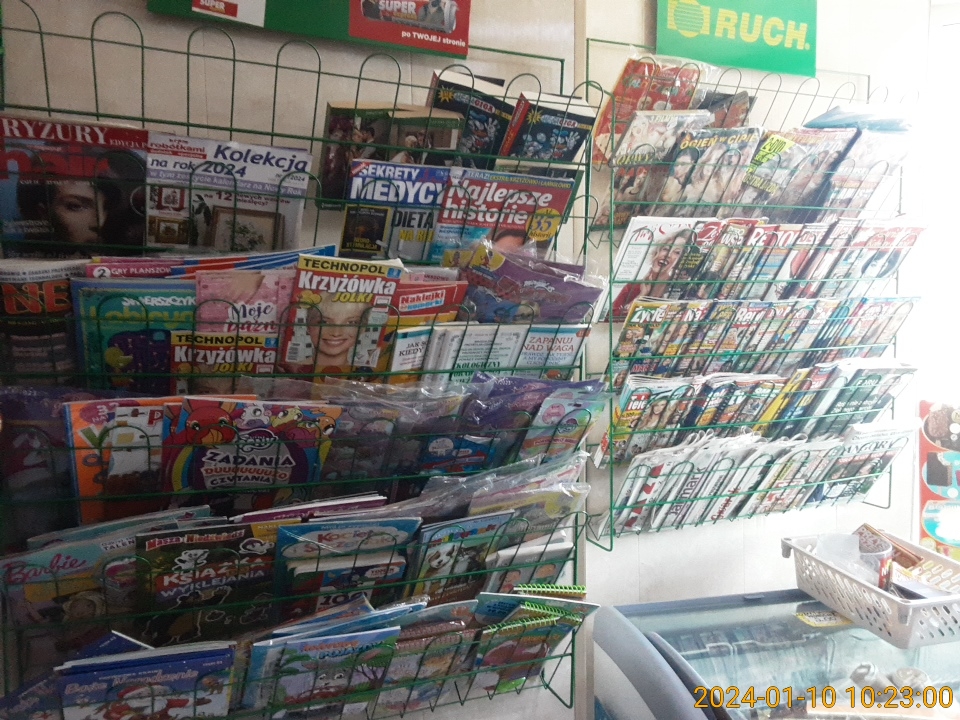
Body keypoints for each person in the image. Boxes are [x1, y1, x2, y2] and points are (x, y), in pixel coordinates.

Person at [308, 292, 368, 371]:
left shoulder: (365, 371)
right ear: (308, 326)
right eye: (324, 322)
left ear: (363, 329)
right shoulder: (294, 369)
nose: (336, 333)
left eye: (351, 322)